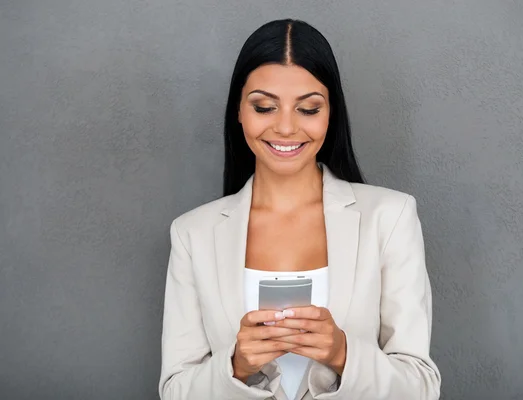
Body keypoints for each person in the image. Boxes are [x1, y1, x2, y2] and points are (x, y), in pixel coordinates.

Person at [158, 18, 441, 400]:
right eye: (264, 106)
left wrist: (343, 354)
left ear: (331, 113)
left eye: (308, 109)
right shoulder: (193, 234)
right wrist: (236, 367)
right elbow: (175, 390)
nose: (286, 128)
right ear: (238, 111)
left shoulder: (390, 218)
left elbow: (420, 387)